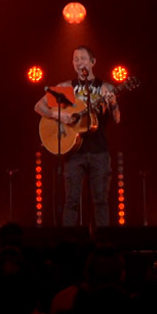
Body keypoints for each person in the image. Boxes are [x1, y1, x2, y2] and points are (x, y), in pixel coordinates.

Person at [34, 46, 121, 227]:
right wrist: (58, 115)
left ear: (92, 62)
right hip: (74, 151)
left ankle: (102, 244)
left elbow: (117, 118)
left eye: (82, 58)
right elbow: (39, 106)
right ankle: (69, 243)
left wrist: (112, 102)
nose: (78, 62)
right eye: (75, 59)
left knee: (101, 201)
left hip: (99, 151)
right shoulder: (67, 88)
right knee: (71, 201)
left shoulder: (104, 87)